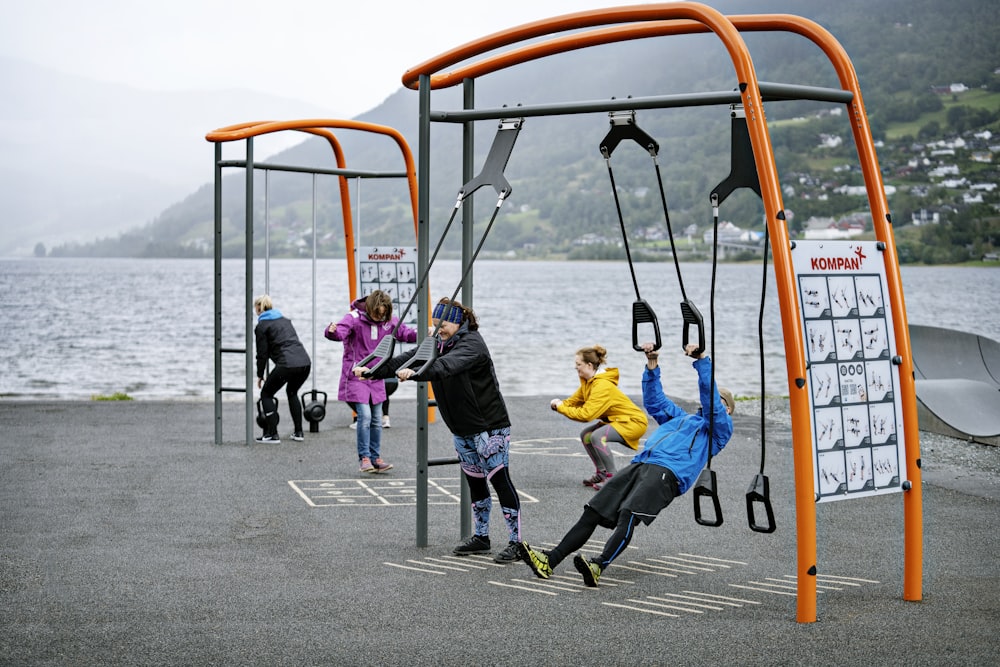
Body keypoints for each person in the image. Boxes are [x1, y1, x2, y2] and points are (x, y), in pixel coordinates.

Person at [518, 342, 735, 587]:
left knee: (628, 516)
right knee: (593, 511)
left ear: (726, 408)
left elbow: (711, 401)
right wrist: (652, 366)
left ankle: (598, 566)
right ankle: (549, 560)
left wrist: (702, 360)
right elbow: (655, 402)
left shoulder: (718, 430)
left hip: (668, 473)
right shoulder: (682, 418)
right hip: (641, 464)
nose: (711, 404)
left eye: (719, 402)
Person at [355, 297, 523, 564]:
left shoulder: (473, 344)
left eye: (441, 325)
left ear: (457, 322)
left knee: (499, 480)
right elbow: (405, 358)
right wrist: (371, 370)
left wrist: (417, 374)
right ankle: (482, 538)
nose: (437, 330)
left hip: (489, 426)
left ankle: (517, 542)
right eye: (435, 325)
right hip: (461, 427)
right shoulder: (439, 343)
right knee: (475, 483)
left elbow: (447, 366)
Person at [325, 290, 417, 473]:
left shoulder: (388, 320)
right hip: (357, 375)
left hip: (377, 375)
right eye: (377, 313)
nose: (379, 317)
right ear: (369, 308)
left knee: (377, 418)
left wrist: (425, 332)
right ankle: (364, 457)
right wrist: (331, 331)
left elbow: (407, 334)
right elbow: (339, 334)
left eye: (383, 313)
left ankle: (376, 458)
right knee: (365, 416)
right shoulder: (353, 318)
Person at [550, 345, 648, 490]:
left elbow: (586, 415)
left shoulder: (601, 385)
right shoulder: (588, 382)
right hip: (620, 421)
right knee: (587, 435)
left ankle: (612, 477)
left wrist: (560, 407)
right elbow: (573, 401)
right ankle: (602, 473)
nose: (575, 368)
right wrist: (560, 404)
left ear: (589, 365)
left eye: (578, 364)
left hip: (634, 422)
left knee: (597, 437)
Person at [253, 295, 312, 444]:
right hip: (305, 362)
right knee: (292, 392)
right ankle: (299, 432)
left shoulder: (262, 326)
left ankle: (272, 435)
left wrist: (260, 374)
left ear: (258, 308)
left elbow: (262, 354)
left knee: (266, 394)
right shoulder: (285, 321)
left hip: (287, 364)